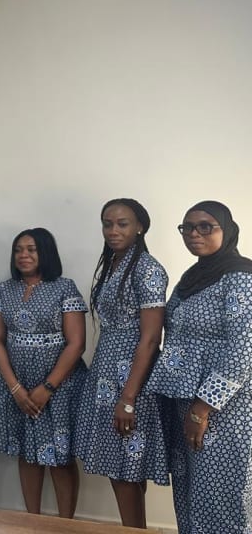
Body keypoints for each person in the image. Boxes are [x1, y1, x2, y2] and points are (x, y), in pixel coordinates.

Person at [147, 201, 252, 533]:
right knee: (190, 489)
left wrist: (202, 408)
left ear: (226, 229)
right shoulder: (192, 277)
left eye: (206, 226)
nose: (194, 233)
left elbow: (242, 350)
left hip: (222, 408)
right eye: (188, 227)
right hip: (183, 400)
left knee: (221, 492)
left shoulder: (241, 277)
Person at [73, 199, 169, 529]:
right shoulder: (114, 263)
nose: (113, 230)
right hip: (107, 371)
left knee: (126, 466)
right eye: (107, 223)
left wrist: (128, 398)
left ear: (140, 226)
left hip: (131, 377)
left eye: (122, 223)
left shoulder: (147, 269)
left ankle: (134, 530)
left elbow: (150, 338)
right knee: (124, 465)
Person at [0, 228, 87, 517]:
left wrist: (48, 387)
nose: (23, 255)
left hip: (59, 386)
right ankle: (33, 522)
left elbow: (77, 343)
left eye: (31, 249)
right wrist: (15, 388)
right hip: (16, 384)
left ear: (45, 252)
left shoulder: (64, 287)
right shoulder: (5, 289)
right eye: (18, 250)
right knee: (27, 453)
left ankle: (65, 526)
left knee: (60, 457)